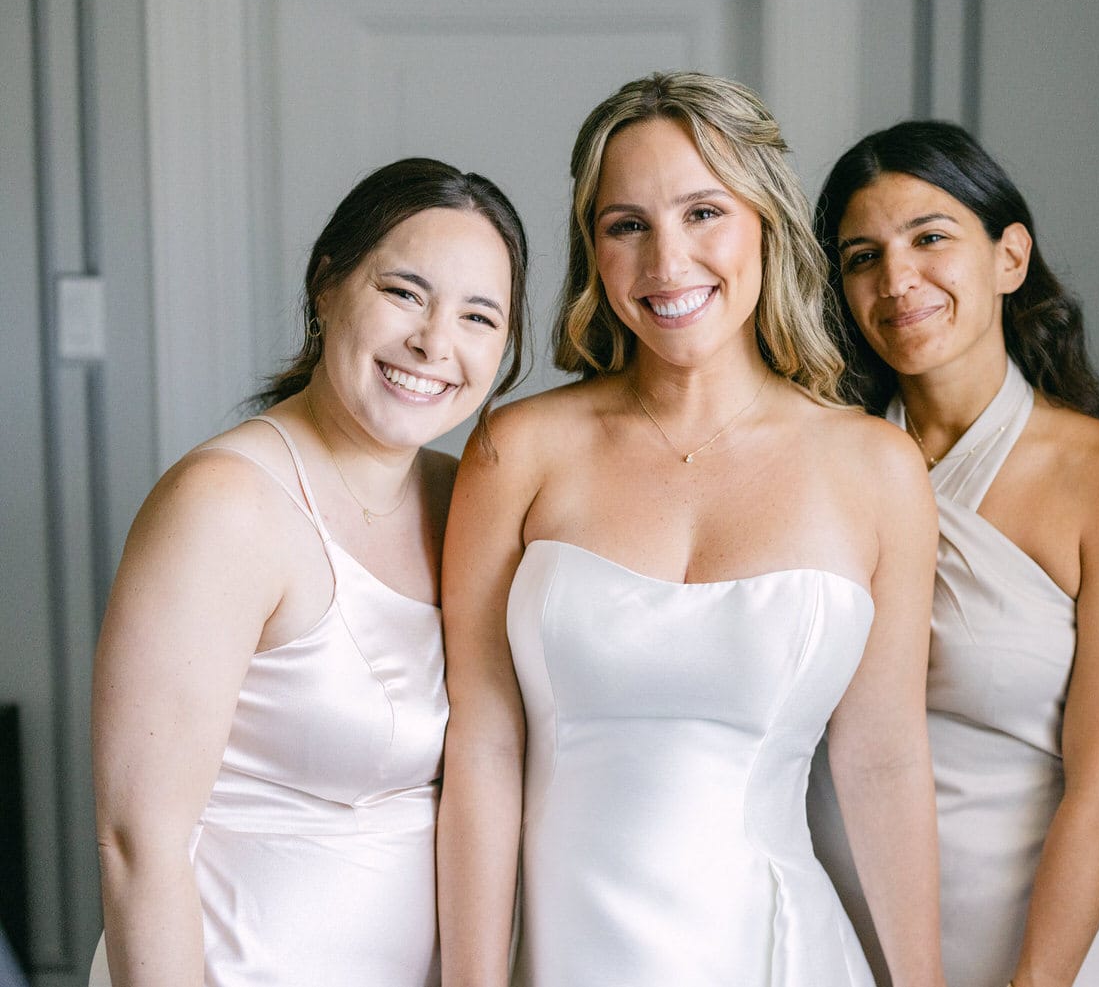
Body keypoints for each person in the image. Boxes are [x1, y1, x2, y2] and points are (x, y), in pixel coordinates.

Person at [437, 71, 946, 987]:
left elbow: (883, 760)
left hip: (776, 953)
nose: (667, 263)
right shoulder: (517, 450)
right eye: (626, 224)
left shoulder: (877, 468)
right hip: (561, 957)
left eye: (704, 212)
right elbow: (481, 744)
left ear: (767, 223)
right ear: (593, 250)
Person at [89, 157, 529, 987]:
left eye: (480, 315)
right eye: (404, 292)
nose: (435, 343)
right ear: (326, 285)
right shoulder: (223, 505)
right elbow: (134, 843)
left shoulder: (465, 502)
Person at [807, 121, 1099, 987]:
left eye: (929, 238)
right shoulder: (822, 463)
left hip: (1025, 953)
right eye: (862, 255)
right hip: (827, 939)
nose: (896, 279)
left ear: (1009, 257)